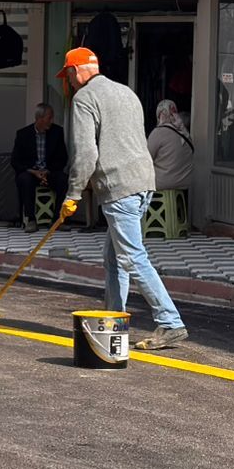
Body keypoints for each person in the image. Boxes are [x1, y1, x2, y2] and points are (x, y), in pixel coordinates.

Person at [58, 46, 188, 348]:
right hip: (143, 183)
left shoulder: (84, 98)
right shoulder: (126, 93)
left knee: (131, 256)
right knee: (114, 257)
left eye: (68, 76)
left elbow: (86, 152)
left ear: (75, 72)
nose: (69, 82)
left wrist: (73, 193)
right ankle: (113, 319)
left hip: (119, 188)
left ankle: (170, 322)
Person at [10, 103, 69, 232]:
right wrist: (33, 171)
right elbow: (15, 161)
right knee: (25, 180)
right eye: (49, 118)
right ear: (40, 118)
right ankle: (31, 219)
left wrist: (47, 171)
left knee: (63, 180)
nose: (51, 121)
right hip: (31, 172)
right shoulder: (23, 134)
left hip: (49, 171)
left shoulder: (57, 132)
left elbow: (63, 158)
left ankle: (57, 219)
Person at [147, 100, 193, 192]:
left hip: (163, 184)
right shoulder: (185, 134)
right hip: (184, 184)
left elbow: (147, 159)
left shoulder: (158, 132)